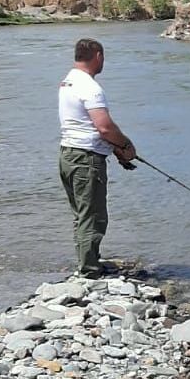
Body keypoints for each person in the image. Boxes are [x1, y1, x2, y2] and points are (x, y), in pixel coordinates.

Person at [58, 38, 136, 277]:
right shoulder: (90, 87)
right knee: (93, 216)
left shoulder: (68, 81)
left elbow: (87, 126)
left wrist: (115, 151)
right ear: (98, 56)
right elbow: (104, 128)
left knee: (82, 214)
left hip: (68, 154)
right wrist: (126, 146)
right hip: (86, 159)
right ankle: (90, 270)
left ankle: (88, 261)